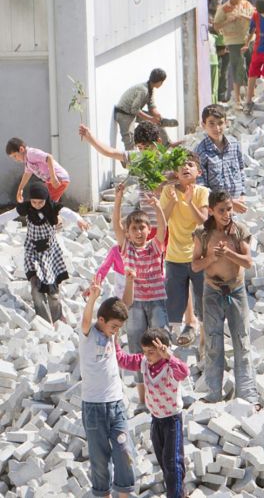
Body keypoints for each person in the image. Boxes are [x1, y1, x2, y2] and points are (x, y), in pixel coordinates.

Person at [191, 190, 259, 406]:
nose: (226, 214)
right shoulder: (202, 233)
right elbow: (195, 264)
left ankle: (247, 394)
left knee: (242, 341)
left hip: (236, 291)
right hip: (212, 291)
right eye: (221, 210)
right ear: (211, 211)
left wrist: (229, 254)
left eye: (229, 209)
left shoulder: (239, 231)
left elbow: (248, 262)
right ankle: (213, 392)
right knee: (213, 341)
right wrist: (212, 257)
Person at [111, 182, 169, 409]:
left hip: (155, 301)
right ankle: (143, 400)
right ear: (128, 232)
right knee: (136, 349)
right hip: (134, 304)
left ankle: (164, 388)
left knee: (161, 343)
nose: (138, 232)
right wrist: (118, 200)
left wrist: (157, 207)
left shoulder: (155, 247)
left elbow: (163, 229)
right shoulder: (126, 248)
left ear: (148, 230)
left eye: (142, 228)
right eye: (134, 228)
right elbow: (116, 225)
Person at [115, 328, 189, 498]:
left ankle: (176, 495)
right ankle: (180, 491)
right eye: (145, 351)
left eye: (152, 352)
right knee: (163, 460)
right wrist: (115, 342)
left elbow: (184, 372)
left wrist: (169, 356)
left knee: (173, 462)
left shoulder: (170, 367)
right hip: (156, 420)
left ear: (163, 350)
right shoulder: (144, 363)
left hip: (172, 420)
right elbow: (123, 360)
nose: (148, 356)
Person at [0, 182, 88, 324]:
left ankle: (58, 318)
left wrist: (79, 219)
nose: (37, 205)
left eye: (40, 202)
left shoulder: (51, 207)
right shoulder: (27, 207)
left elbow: (67, 212)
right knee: (35, 287)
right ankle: (44, 321)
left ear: (46, 199)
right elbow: (9, 215)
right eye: (34, 201)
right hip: (32, 251)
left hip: (49, 252)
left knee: (53, 292)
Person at [79, 294, 134, 498]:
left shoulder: (112, 333)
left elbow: (124, 303)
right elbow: (86, 320)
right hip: (93, 407)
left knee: (124, 450)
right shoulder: (88, 334)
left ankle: (124, 493)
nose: (116, 331)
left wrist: (129, 279)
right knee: (99, 458)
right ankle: (103, 494)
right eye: (114, 326)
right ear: (101, 320)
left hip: (116, 404)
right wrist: (92, 298)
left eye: (119, 327)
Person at [159, 154, 209, 349]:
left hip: (198, 256)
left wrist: (189, 202)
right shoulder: (168, 191)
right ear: (176, 173)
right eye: (181, 165)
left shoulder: (202, 192)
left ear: (199, 171)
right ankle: (174, 342)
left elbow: (203, 220)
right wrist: (172, 201)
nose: (185, 168)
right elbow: (163, 220)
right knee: (174, 302)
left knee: (202, 300)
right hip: (174, 256)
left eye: (190, 165)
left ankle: (204, 341)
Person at [195, 105, 247, 213]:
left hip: (236, 207)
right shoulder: (201, 151)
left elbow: (241, 169)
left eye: (220, 123)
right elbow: (201, 185)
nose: (217, 128)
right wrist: (228, 202)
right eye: (211, 123)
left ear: (226, 123)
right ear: (203, 125)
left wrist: (242, 193)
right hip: (216, 211)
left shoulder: (234, 144)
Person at [214, 0, 255, 107]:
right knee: (237, 68)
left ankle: (251, 96)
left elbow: (255, 19)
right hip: (234, 42)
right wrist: (229, 21)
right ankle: (237, 99)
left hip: (249, 40)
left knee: (251, 67)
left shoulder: (246, 4)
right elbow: (216, 26)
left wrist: (244, 16)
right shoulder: (224, 9)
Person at [113, 68, 172, 149]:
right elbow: (135, 109)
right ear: (159, 81)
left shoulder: (150, 89)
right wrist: (151, 119)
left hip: (133, 113)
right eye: (162, 82)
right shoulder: (143, 90)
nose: (162, 84)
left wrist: (157, 116)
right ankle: (130, 160)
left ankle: (167, 145)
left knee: (158, 122)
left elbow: (151, 106)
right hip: (124, 114)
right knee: (130, 140)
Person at [6, 137, 71, 203]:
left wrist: (53, 177)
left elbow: (49, 157)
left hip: (58, 178)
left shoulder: (31, 153)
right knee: (44, 201)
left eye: (15, 156)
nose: (15, 159)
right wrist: (20, 189)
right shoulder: (27, 162)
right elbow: (27, 174)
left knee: (43, 202)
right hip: (52, 181)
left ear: (21, 149)